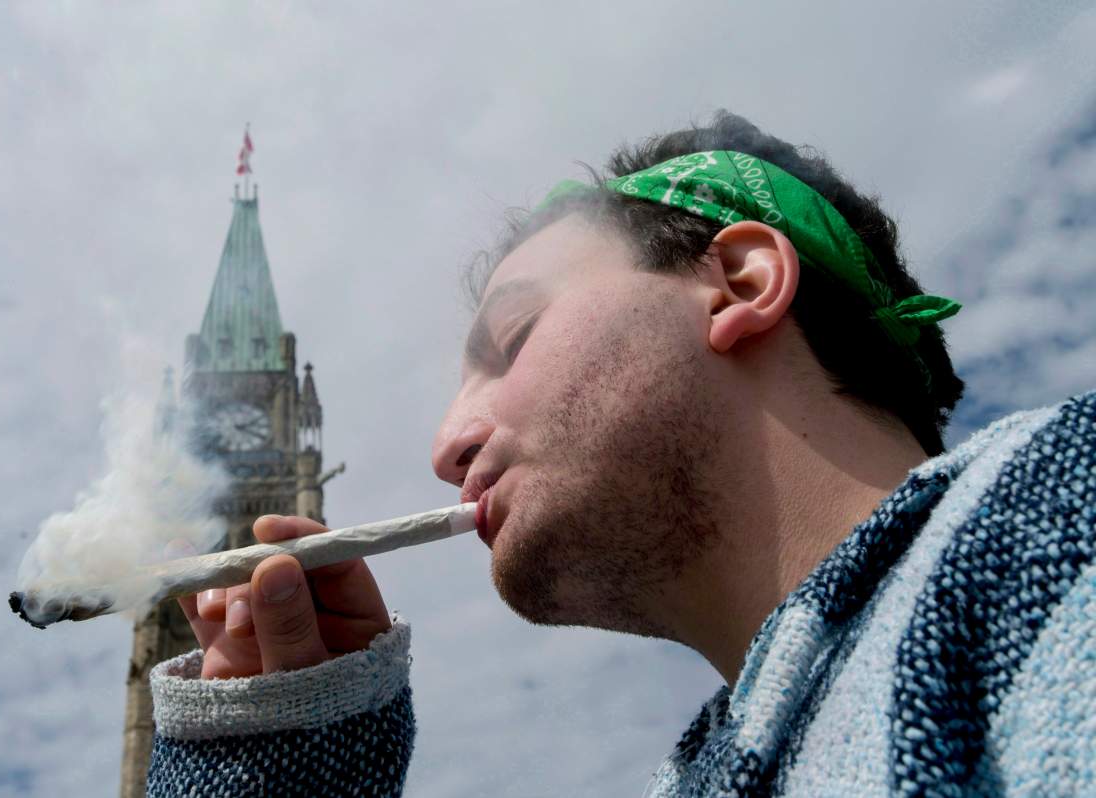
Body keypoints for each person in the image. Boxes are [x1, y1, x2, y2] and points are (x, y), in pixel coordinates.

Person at [146, 112, 1096, 797]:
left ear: (738, 281)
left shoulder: (1060, 518)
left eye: (512, 338)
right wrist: (277, 774)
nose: (446, 444)